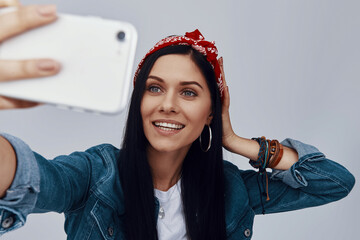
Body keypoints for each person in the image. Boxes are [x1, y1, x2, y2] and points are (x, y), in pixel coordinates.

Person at [0, 1, 355, 240]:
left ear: (211, 111)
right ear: (139, 100)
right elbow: (34, 177)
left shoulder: (231, 189)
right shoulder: (96, 173)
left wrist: (233, 141)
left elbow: (333, 182)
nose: (167, 105)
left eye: (188, 92)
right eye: (154, 89)